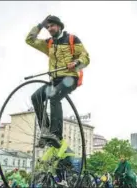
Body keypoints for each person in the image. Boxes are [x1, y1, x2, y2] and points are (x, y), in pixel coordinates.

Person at [26, 15, 90, 148]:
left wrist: (76, 62)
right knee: (36, 97)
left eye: (52, 26)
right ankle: (46, 131)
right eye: (48, 27)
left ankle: (56, 134)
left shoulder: (72, 39)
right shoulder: (49, 43)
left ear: (59, 26)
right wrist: (40, 25)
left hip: (69, 78)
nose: (50, 29)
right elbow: (30, 40)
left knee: (54, 97)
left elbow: (85, 57)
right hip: (54, 80)